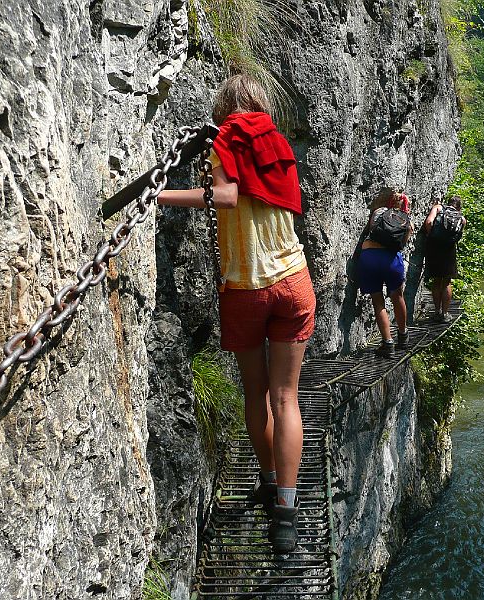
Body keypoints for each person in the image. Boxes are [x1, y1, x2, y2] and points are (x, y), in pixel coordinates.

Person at [157, 74, 314, 553]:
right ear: (261, 104)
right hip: (293, 280)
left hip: (245, 288)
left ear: (224, 107)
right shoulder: (278, 142)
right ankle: (284, 517)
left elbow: (225, 196)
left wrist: (158, 196)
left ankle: (268, 479)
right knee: (287, 399)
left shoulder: (226, 139)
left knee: (257, 395)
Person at [357, 187, 412, 358]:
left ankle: (388, 343)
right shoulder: (407, 220)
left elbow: (370, 228)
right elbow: (403, 243)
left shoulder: (379, 211)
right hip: (391, 261)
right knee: (398, 297)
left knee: (377, 300)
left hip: (369, 257)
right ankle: (403, 336)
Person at [422, 196, 466, 321]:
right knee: (446, 282)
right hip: (449, 250)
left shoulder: (438, 208)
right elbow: (458, 236)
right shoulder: (462, 219)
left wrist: (431, 236)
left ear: (449, 203)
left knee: (436, 280)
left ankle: (437, 311)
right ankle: (445, 314)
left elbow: (429, 222)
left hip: (434, 247)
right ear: (459, 207)